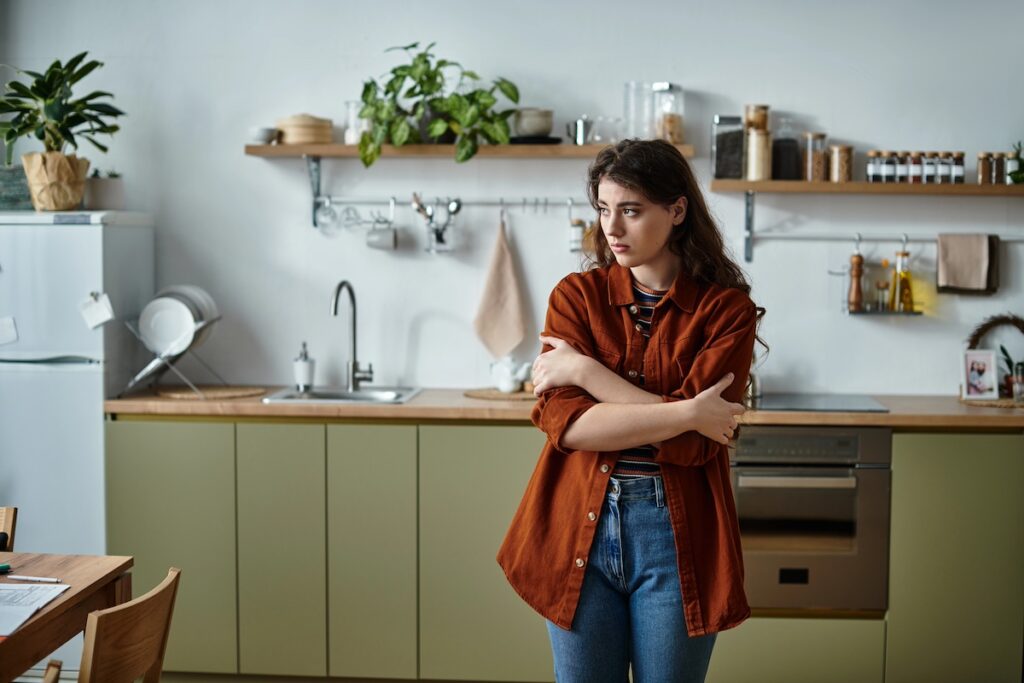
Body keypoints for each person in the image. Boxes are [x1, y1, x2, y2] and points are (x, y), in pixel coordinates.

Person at [497, 139, 767, 683]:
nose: (610, 229)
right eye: (602, 209)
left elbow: (696, 445)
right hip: (577, 527)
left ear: (676, 210)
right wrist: (689, 411)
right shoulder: (575, 299)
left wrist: (588, 373)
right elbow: (570, 427)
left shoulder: (725, 311)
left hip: (677, 535)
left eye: (630, 210)